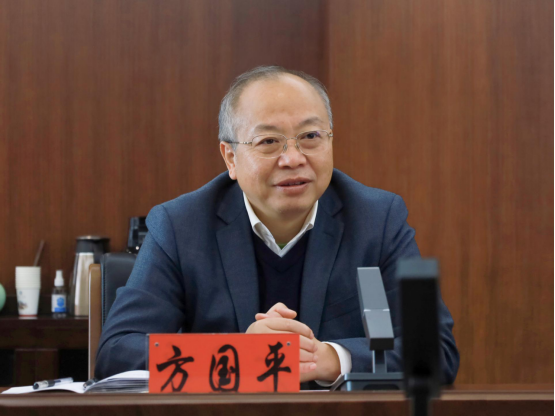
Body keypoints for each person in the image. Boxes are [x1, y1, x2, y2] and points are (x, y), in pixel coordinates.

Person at [96, 66, 459, 385]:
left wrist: (328, 359)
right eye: (269, 141)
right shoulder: (180, 225)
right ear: (230, 157)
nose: (293, 158)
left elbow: (437, 352)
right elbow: (116, 354)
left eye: (311, 137)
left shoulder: (378, 219)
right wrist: (240, 353)